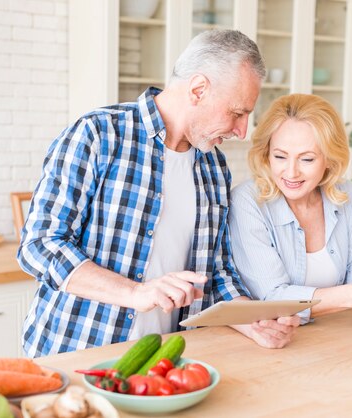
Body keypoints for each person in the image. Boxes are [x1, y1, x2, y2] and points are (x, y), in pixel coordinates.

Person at [17, 29, 299, 357]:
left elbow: (217, 272)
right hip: (75, 352)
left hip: (162, 359)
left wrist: (253, 321)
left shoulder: (213, 167)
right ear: (198, 89)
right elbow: (40, 246)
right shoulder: (99, 135)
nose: (241, 131)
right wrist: (135, 293)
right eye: (237, 113)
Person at [228, 94, 352, 324]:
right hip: (275, 342)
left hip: (334, 335)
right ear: (266, 155)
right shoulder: (248, 202)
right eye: (280, 156)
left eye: (307, 159)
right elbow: (272, 298)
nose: (291, 172)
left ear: (329, 159)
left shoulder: (345, 194)